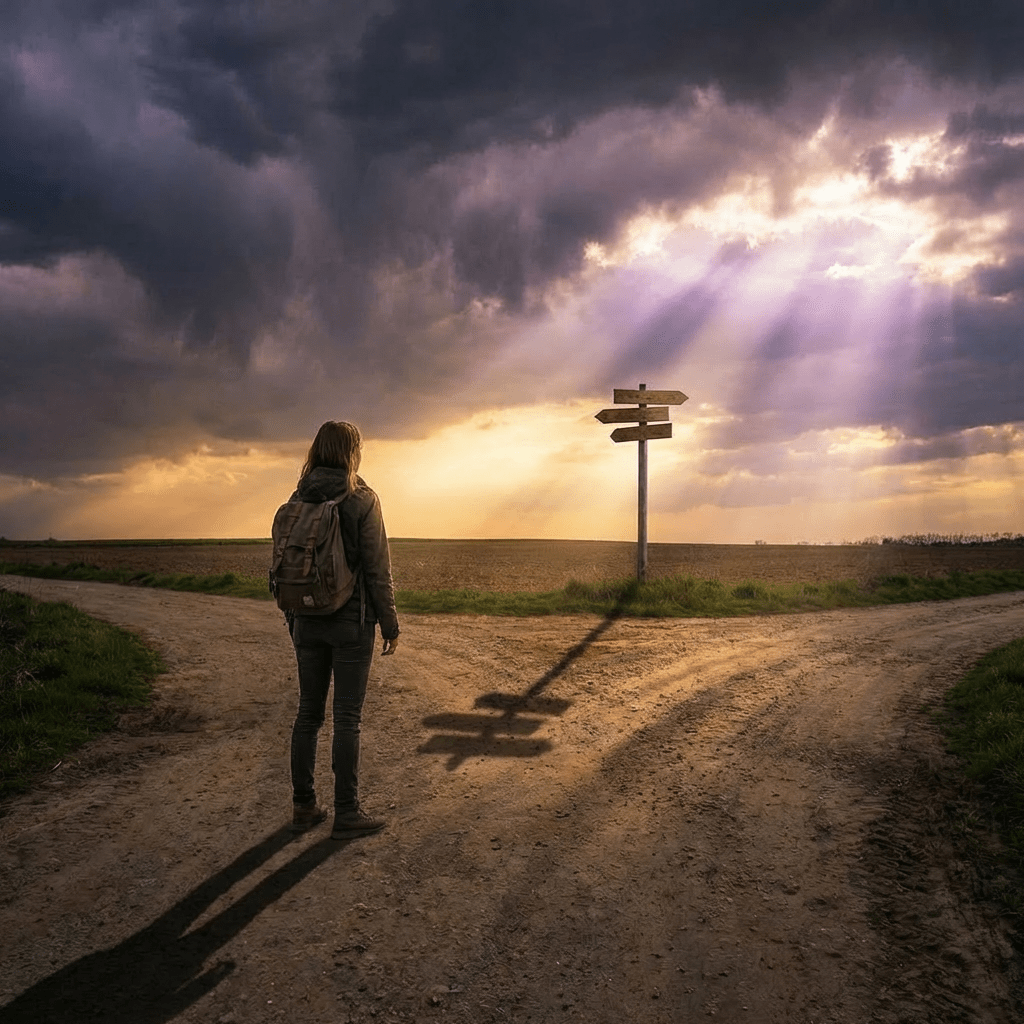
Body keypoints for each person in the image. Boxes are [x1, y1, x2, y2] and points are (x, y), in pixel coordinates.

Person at [285, 420, 400, 839]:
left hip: (306, 622)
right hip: (351, 624)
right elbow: (377, 568)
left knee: (307, 714)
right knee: (347, 718)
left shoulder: (297, 499)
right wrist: (389, 623)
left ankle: (303, 806)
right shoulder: (362, 499)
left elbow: (285, 568)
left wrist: (295, 620)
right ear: (352, 452)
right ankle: (346, 812)